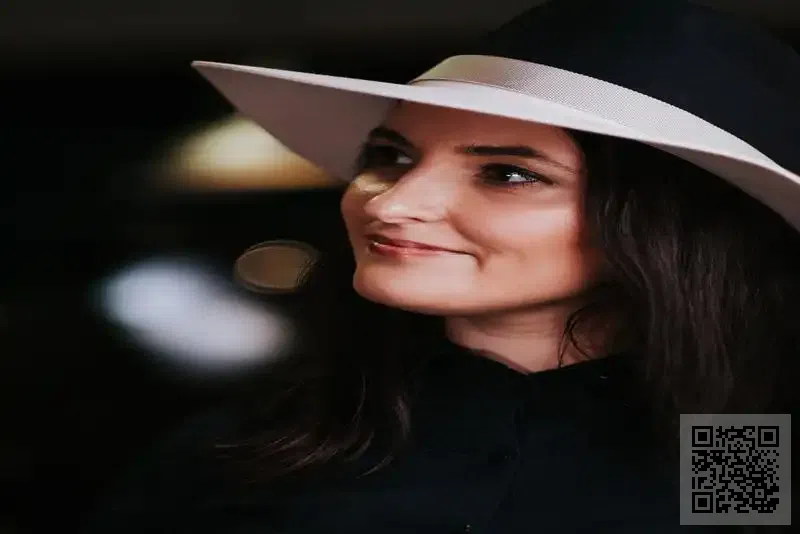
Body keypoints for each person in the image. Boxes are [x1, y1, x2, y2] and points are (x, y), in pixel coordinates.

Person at [86, 0, 799, 532]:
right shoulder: (256, 449)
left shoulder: (735, 445)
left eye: (508, 173)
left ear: (666, 227)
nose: (392, 202)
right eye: (390, 156)